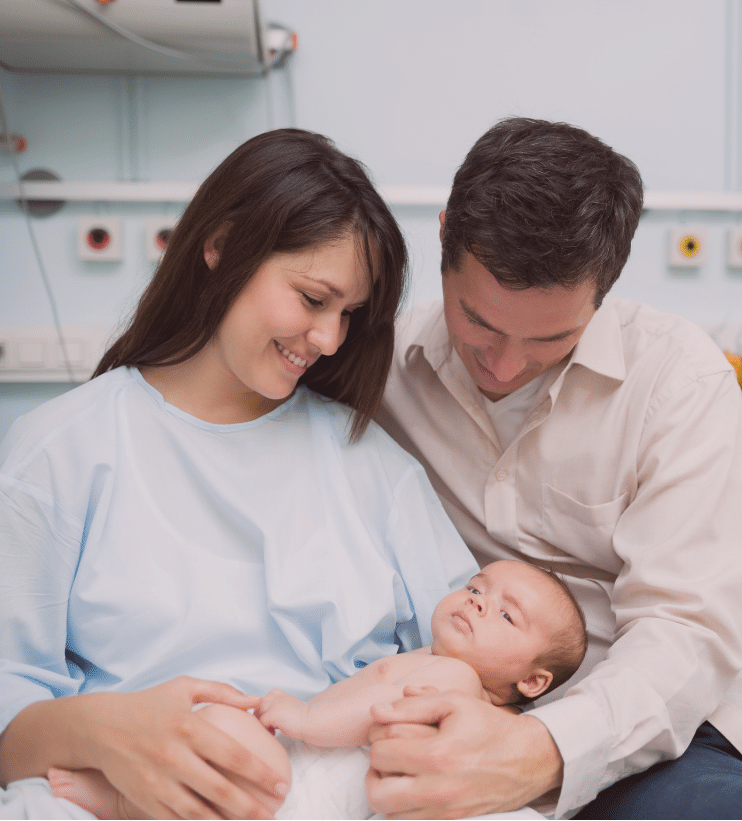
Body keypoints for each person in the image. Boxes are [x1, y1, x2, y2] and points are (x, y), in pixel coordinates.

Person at [0, 128, 480, 820]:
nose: (329, 339)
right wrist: (107, 732)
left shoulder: (372, 466)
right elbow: (9, 709)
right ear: (221, 244)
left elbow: (470, 656)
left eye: (350, 315)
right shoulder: (62, 451)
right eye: (314, 299)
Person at [373, 118, 742, 819]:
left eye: (549, 338)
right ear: (442, 237)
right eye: (479, 322)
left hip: (736, 706)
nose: (502, 364)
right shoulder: (382, 370)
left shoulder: (677, 377)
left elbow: (683, 629)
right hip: (551, 713)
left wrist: (536, 751)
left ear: (604, 289)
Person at [45, 559, 588, 819]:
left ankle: (119, 801)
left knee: (222, 732)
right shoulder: (433, 661)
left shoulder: (456, 682)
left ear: (532, 681)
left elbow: (382, 717)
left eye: (505, 615)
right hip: (308, 781)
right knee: (213, 748)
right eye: (476, 587)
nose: (476, 602)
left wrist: (304, 719)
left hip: (305, 791)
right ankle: (124, 800)